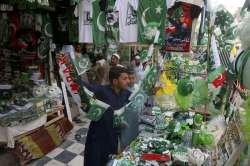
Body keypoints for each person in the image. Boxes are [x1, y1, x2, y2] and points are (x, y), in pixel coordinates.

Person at [82, 66, 131, 166]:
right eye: (124, 78)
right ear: (115, 81)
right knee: (94, 161)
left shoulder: (125, 93)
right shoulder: (102, 91)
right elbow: (82, 87)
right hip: (97, 137)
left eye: (128, 78)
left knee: (109, 162)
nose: (128, 81)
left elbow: (136, 98)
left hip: (113, 137)